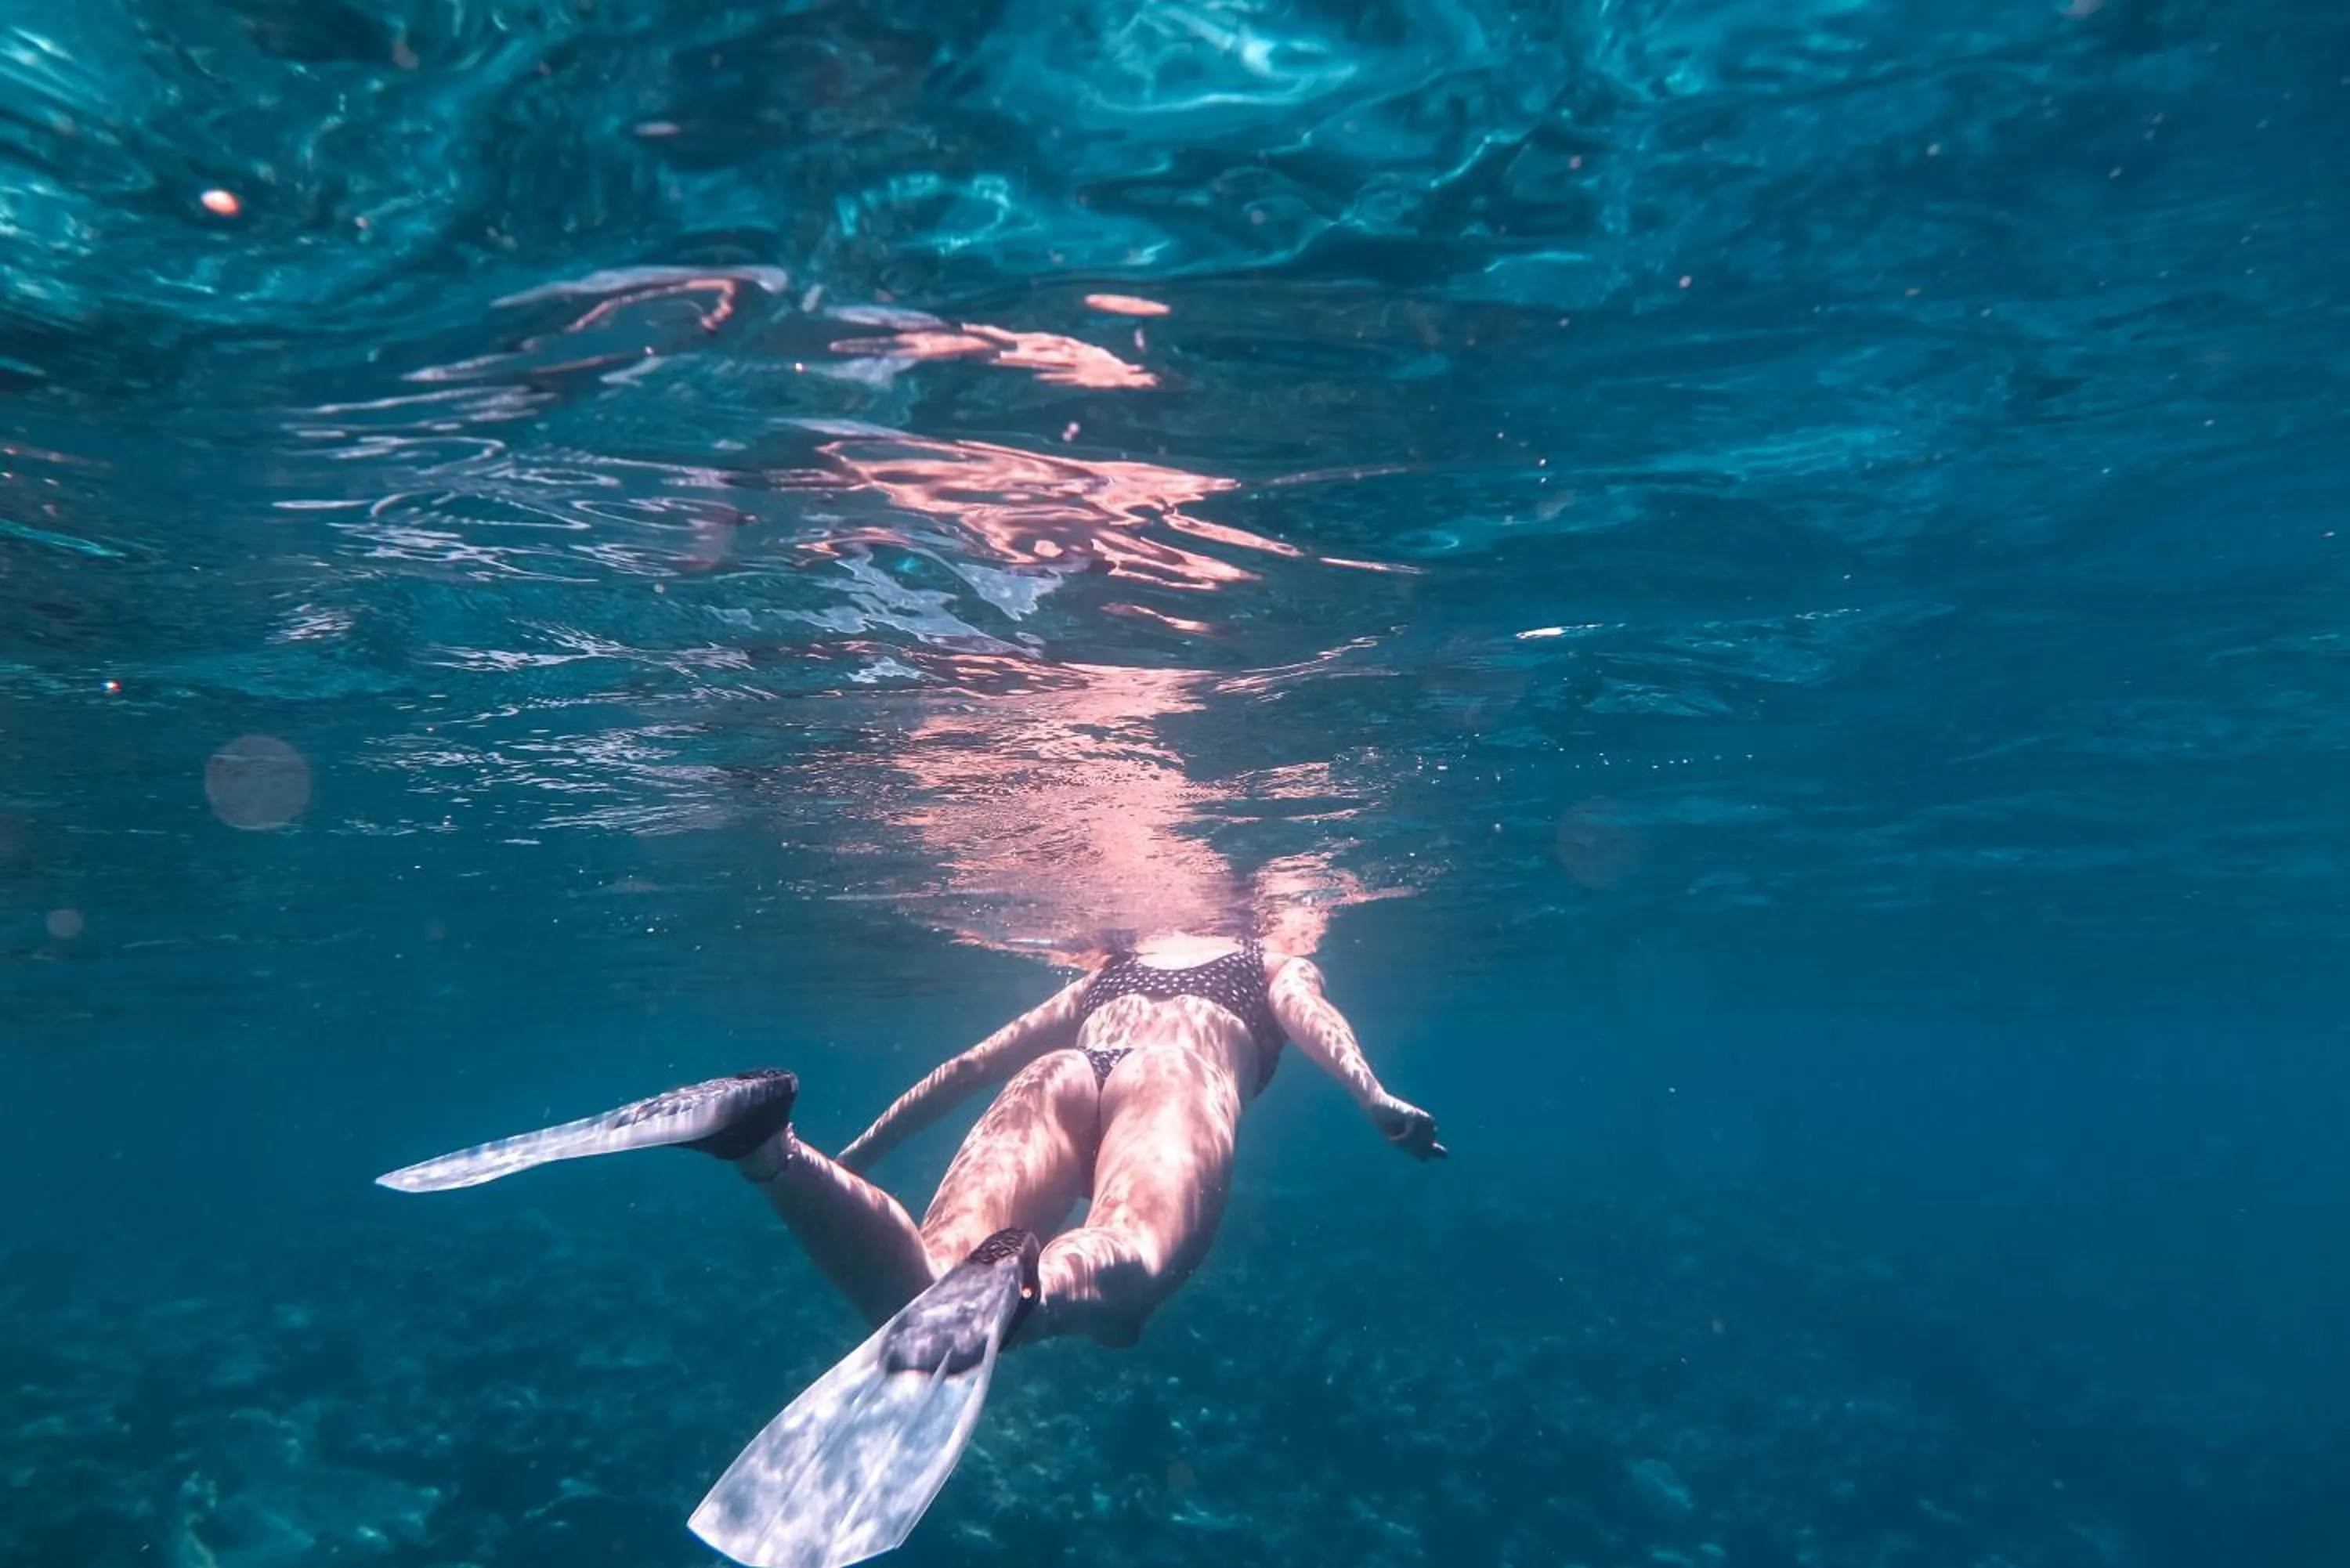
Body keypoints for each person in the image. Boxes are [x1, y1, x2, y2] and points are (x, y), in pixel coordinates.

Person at [378, 925, 1441, 1568]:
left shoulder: (1107, 970)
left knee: (925, 1288)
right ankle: (1034, 1275)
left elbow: (972, 1063)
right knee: (1131, 1260)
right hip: (1177, 1081)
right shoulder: (1262, 958)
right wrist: (1377, 1098)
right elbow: (1310, 1017)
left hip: (1074, 1065)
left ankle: (766, 1145)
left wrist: (869, 1142)